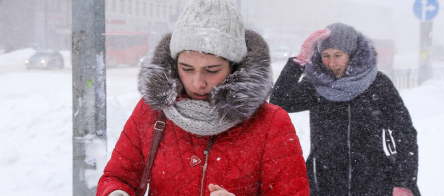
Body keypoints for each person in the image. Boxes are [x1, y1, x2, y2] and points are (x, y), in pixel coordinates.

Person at [96, 0, 310, 195]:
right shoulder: (151, 110)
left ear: (234, 67)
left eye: (212, 69)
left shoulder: (271, 123)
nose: (198, 83)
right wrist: (115, 192)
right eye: (186, 68)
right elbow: (118, 177)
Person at [270, 23, 420, 196]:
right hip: (324, 183)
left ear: (352, 55)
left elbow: (404, 133)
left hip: (372, 184)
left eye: (338, 55)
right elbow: (279, 102)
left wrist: (404, 182)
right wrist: (301, 60)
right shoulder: (316, 85)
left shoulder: (377, 84)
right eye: (326, 55)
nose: (331, 63)